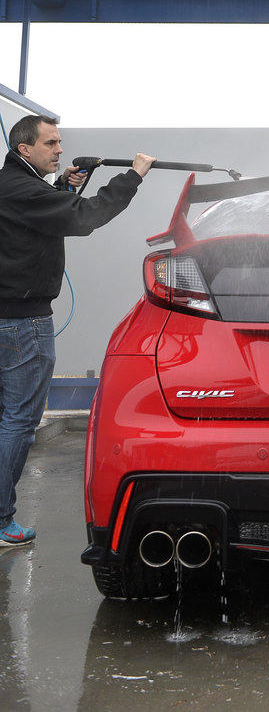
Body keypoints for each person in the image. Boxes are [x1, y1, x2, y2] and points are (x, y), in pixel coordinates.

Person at [0, 115, 156, 546]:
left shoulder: (14, 185)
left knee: (7, 419)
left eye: (59, 142)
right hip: (23, 324)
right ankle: (0, 520)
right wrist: (132, 177)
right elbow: (84, 218)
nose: (60, 149)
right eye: (51, 143)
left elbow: (46, 215)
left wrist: (65, 187)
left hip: (9, 317)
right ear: (24, 149)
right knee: (19, 421)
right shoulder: (24, 189)